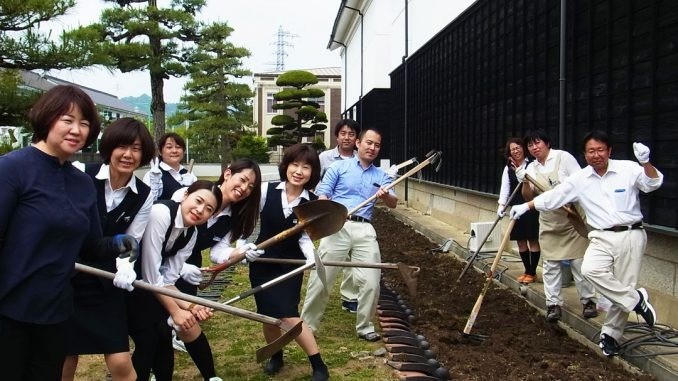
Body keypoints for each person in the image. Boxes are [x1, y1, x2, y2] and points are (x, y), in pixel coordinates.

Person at [0, 85, 137, 379]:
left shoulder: (81, 183)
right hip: (9, 310)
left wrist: (116, 243)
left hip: (57, 311)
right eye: (67, 119)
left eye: (85, 123)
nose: (77, 130)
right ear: (47, 118)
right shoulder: (12, 169)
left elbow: (88, 246)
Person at [510, 130, 663, 356]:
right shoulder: (580, 179)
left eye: (600, 150)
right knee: (590, 269)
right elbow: (555, 195)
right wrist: (526, 206)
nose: (596, 155)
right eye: (591, 151)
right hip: (600, 235)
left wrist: (646, 162)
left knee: (623, 285)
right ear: (584, 155)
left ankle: (610, 335)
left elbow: (653, 183)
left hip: (631, 234)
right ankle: (636, 300)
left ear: (609, 151)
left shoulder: (628, 169)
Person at [62, 118, 156, 381]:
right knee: (64, 357)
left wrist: (126, 266)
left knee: (120, 361)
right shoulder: (80, 172)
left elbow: (131, 239)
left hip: (106, 282)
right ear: (110, 147)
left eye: (136, 149)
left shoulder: (144, 194)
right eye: (122, 146)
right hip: (67, 279)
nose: (128, 155)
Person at [127, 180, 236, 381]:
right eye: (198, 200)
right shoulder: (160, 213)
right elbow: (151, 275)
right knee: (148, 341)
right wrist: (176, 311)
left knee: (162, 336)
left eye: (208, 209)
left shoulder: (191, 233)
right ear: (186, 195)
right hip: (127, 281)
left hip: (149, 286)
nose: (200, 210)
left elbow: (168, 280)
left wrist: (192, 307)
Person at [168, 159, 263, 380]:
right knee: (158, 326)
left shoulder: (233, 217)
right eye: (243, 180)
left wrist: (239, 254)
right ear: (228, 174)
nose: (244, 188)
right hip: (160, 261)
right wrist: (178, 267)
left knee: (188, 323)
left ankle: (211, 376)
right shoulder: (192, 194)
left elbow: (217, 252)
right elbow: (162, 235)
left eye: (251, 187)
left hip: (189, 264)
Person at [301, 127, 398, 342]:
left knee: (372, 279)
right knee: (322, 277)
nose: (372, 148)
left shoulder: (381, 176)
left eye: (377, 145)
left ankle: (365, 326)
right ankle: (307, 326)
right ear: (358, 143)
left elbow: (393, 203)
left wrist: (385, 196)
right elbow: (323, 194)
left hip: (365, 228)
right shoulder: (339, 167)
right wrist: (331, 212)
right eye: (368, 143)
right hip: (338, 224)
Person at [249, 144, 329, 380]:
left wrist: (310, 259)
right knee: (267, 313)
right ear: (286, 165)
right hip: (263, 262)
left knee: (288, 314)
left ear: (312, 173)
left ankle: (318, 364)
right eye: (295, 164)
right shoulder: (266, 191)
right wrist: (244, 248)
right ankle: (276, 355)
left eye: (306, 167)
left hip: (291, 264)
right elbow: (250, 222)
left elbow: (305, 238)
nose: (299, 171)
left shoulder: (311, 202)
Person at [514, 129, 598, 322]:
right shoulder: (532, 169)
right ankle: (553, 304)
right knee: (551, 265)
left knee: (579, 263)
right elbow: (529, 197)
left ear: (547, 143)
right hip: (550, 222)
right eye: (530, 145)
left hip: (572, 219)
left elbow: (581, 183)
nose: (534, 148)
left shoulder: (563, 158)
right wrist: (524, 181)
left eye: (537, 143)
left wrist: (566, 197)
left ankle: (588, 301)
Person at [317, 119, 361, 313]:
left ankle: (350, 297)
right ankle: (319, 295)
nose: (347, 137)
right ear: (337, 136)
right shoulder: (325, 158)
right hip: (331, 213)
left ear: (356, 139)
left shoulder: (361, 159)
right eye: (343, 133)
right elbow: (316, 183)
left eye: (351, 134)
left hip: (354, 215)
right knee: (329, 255)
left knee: (353, 258)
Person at [497, 138, 540, 283]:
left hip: (530, 205)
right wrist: (501, 206)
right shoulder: (508, 168)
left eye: (518, 148)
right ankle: (527, 270)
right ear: (509, 153)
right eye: (512, 149)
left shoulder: (532, 165)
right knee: (521, 242)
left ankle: (532, 273)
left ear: (523, 148)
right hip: (515, 207)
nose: (516, 151)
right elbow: (505, 189)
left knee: (532, 240)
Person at [143, 132, 197, 202]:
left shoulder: (189, 174)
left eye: (178, 147)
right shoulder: (153, 175)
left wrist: (191, 188)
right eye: (169, 147)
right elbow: (146, 205)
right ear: (160, 151)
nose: (174, 151)